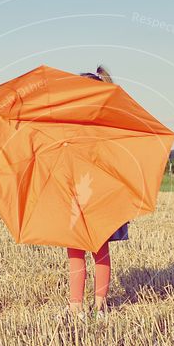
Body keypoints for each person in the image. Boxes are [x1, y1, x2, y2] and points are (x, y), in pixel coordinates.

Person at [65, 65, 129, 318]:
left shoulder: (103, 126)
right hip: (80, 192)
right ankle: (79, 306)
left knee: (92, 249)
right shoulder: (79, 124)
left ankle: (94, 305)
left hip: (96, 193)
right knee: (81, 250)